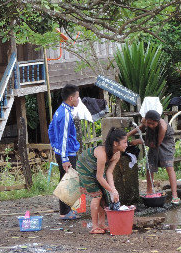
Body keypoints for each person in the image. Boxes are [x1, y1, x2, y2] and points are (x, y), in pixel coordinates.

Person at [76, 127, 125, 234]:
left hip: (96, 169)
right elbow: (99, 177)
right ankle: (94, 226)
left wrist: (113, 189)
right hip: (85, 167)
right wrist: (111, 191)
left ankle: (102, 224)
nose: (127, 144)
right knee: (97, 195)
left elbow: (109, 173)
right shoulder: (102, 153)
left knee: (104, 195)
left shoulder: (117, 154)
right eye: (124, 142)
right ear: (116, 143)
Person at [129, 110, 180, 204]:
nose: (151, 126)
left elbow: (157, 143)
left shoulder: (162, 127)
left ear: (158, 121)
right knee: (150, 166)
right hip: (152, 141)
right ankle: (149, 191)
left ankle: (175, 195)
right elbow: (140, 128)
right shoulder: (145, 121)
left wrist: (139, 141)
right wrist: (127, 135)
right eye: (148, 123)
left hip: (165, 142)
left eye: (153, 124)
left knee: (169, 166)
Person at [48, 84, 81, 220]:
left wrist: (55, 147)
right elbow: (63, 138)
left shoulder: (59, 110)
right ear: (71, 98)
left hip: (61, 151)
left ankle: (66, 211)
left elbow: (50, 130)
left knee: (66, 179)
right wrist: (65, 158)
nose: (79, 100)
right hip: (67, 153)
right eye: (78, 97)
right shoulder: (66, 114)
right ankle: (65, 212)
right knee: (68, 181)